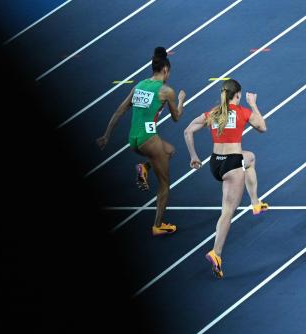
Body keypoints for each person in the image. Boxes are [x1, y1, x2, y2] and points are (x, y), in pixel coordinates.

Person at [184, 79, 268, 278]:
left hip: (216, 163)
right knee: (227, 212)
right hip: (232, 165)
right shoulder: (242, 112)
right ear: (237, 95)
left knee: (250, 158)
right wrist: (253, 104)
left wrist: (194, 156)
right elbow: (262, 127)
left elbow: (187, 131)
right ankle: (217, 253)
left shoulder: (213, 112)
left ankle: (256, 202)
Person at [97, 47, 185, 236]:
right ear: (165, 70)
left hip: (134, 139)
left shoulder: (139, 86)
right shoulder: (166, 91)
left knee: (169, 150)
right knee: (164, 184)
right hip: (149, 140)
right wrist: (181, 100)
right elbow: (176, 117)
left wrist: (106, 135)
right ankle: (158, 225)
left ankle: (144, 168)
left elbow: (120, 110)